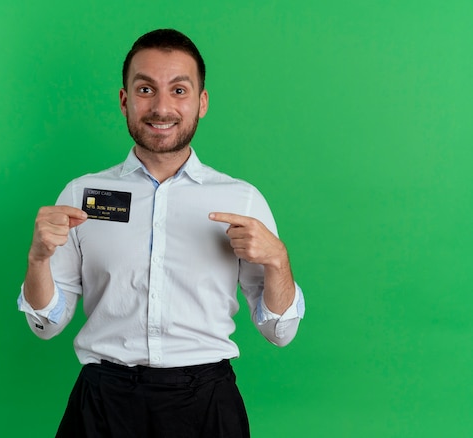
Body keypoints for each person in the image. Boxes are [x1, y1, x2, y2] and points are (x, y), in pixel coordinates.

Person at [18, 28, 305, 438]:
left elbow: (280, 332)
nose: (162, 106)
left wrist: (279, 261)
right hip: (102, 405)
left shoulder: (242, 199)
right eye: (146, 89)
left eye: (179, 90)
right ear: (125, 100)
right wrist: (37, 259)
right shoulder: (81, 196)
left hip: (206, 405)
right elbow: (44, 325)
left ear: (202, 102)